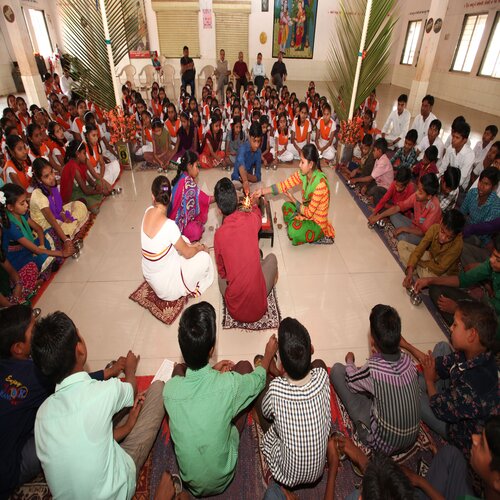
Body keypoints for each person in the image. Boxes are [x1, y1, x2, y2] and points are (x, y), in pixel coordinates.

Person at [31, 311, 165, 500]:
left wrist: (127, 427)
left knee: (111, 415)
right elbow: (131, 389)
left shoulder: (42, 415)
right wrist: (130, 369)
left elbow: (83, 444)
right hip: (116, 491)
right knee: (158, 389)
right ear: (80, 349)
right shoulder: (103, 392)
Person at [0, 305, 130, 498]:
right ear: (18, 348)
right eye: (34, 330)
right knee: (58, 436)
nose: (39, 332)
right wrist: (109, 372)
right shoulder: (34, 375)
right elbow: (70, 376)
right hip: (10, 468)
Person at [163, 301, 278, 496]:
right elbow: (258, 380)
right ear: (211, 350)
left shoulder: (169, 391)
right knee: (244, 367)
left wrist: (213, 373)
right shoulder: (229, 385)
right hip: (224, 475)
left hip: (191, 481)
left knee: (178, 369)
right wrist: (268, 355)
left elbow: (197, 396)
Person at [400, 300, 498, 458]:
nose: (451, 328)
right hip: (453, 397)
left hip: (456, 429)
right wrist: (406, 345)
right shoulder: (477, 354)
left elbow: (439, 409)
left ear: (472, 335)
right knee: (442, 347)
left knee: (408, 391)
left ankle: (419, 386)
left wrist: (430, 381)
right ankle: (422, 384)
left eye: (455, 325)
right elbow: (435, 365)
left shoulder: (473, 384)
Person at [330, 304, 420, 455]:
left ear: (373, 339)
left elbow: (351, 382)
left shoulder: (374, 368)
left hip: (383, 445)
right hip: (411, 438)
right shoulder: (408, 360)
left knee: (338, 371)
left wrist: (350, 361)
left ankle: (365, 431)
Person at [256, 317, 330, 490]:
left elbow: (267, 414)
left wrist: (268, 357)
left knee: (261, 387)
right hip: (317, 472)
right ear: (311, 349)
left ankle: (271, 371)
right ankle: (277, 372)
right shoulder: (322, 376)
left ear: (282, 363)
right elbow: (316, 368)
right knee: (320, 364)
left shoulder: (275, 389)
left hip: (286, 474)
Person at [214, 178, 277, 323]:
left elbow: (222, 271)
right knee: (272, 259)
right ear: (237, 199)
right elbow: (257, 214)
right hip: (259, 308)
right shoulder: (251, 219)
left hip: (234, 311)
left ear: (219, 209)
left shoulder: (219, 235)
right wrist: (254, 204)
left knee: (220, 276)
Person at [141, 175, 214, 301]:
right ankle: (192, 287)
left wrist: (192, 246)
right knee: (205, 258)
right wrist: (201, 248)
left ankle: (191, 250)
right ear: (170, 197)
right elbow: (188, 254)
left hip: (151, 276)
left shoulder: (148, 211)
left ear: (153, 197)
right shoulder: (169, 226)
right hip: (167, 288)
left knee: (184, 239)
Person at [415, 234, 500, 339]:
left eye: (498, 259)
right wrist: (429, 280)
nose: (491, 260)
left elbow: (494, 327)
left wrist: (459, 310)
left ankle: (463, 333)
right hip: (484, 307)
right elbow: (463, 279)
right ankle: (460, 328)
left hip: (492, 328)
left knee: (478, 336)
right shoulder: (491, 264)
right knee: (436, 288)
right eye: (492, 255)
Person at [255, 144, 335, 245]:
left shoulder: (320, 184)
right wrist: (262, 191)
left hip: (317, 223)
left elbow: (309, 214)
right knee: (286, 206)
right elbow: (284, 185)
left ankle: (320, 235)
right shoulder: (303, 174)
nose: (299, 165)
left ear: (311, 164)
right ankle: (296, 223)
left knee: (293, 231)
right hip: (305, 212)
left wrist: (293, 199)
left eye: (302, 162)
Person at [1, 183, 73, 273]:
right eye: (22, 203)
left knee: (51, 232)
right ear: (10, 207)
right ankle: (49, 261)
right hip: (21, 261)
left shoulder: (22, 214)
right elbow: (36, 250)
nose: (26, 205)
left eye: (26, 201)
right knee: (39, 260)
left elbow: (39, 229)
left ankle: (50, 259)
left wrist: (42, 245)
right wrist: (62, 253)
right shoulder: (11, 226)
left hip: (30, 249)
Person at [399, 209, 466, 289]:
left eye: (449, 237)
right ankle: (415, 270)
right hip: (431, 257)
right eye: (442, 231)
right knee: (401, 245)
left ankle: (415, 269)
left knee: (427, 276)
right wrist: (410, 274)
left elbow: (440, 268)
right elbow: (419, 249)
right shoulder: (434, 228)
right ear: (441, 221)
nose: (443, 238)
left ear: (457, 235)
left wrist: (416, 262)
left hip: (443, 272)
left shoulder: (458, 244)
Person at [369, 173, 441, 245]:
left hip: (423, 236)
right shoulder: (416, 196)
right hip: (413, 226)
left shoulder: (435, 208)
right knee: (394, 215)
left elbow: (422, 232)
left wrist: (404, 229)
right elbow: (398, 207)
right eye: (418, 189)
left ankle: (403, 237)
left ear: (429, 196)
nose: (416, 193)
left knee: (404, 239)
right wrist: (378, 217)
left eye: (420, 192)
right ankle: (403, 235)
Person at [30, 158, 88, 246]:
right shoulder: (39, 196)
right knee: (65, 228)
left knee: (80, 204)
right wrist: (66, 241)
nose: (52, 177)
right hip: (47, 228)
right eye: (46, 176)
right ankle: (67, 234)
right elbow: (53, 222)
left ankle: (72, 228)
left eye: (51, 172)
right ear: (39, 179)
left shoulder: (52, 185)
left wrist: (64, 216)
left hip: (56, 217)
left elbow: (59, 207)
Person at [168, 151, 212, 242]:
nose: (198, 170)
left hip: (170, 219)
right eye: (196, 166)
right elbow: (204, 199)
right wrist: (219, 196)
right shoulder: (187, 182)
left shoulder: (183, 176)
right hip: (175, 224)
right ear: (189, 166)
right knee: (196, 231)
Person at [460, 167, 500, 249]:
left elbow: (483, 230)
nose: (481, 186)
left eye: (486, 184)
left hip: (480, 238)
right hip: (467, 225)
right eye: (480, 182)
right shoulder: (472, 193)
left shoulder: (496, 206)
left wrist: (464, 231)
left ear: (494, 187)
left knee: (459, 242)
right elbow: (462, 212)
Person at [60, 140, 104, 214]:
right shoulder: (73, 166)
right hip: (73, 195)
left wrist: (96, 185)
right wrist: (98, 191)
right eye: (84, 153)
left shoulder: (80, 162)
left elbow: (89, 179)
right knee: (94, 209)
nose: (86, 156)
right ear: (77, 154)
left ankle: (94, 198)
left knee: (99, 182)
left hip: (81, 190)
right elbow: (86, 191)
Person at [351, 137, 393, 205]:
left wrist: (356, 180)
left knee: (374, 190)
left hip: (385, 188)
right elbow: (372, 176)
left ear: (379, 151)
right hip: (378, 183)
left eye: (374, 150)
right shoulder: (377, 159)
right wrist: (366, 186)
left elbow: (370, 178)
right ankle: (372, 196)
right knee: (364, 185)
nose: (372, 152)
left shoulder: (384, 162)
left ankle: (378, 201)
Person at [439, 120, 475, 191]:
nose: (453, 140)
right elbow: (443, 167)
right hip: (448, 180)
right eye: (453, 136)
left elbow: (461, 180)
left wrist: (445, 182)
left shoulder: (470, 155)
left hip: (460, 186)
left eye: (457, 138)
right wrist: (437, 176)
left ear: (464, 140)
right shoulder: (450, 148)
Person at [230, 121, 263, 195]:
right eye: (254, 141)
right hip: (237, 180)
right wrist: (244, 181)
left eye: (259, 141)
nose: (257, 145)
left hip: (249, 182)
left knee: (261, 186)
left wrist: (247, 177)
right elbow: (241, 166)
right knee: (232, 191)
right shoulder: (242, 148)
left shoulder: (258, 152)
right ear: (249, 137)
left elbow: (258, 176)